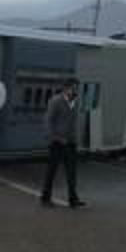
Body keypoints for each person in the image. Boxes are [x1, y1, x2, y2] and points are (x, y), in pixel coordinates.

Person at [41, 78, 85, 208]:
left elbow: (74, 122)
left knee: (72, 172)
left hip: (71, 142)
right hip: (57, 142)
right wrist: (54, 137)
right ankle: (45, 198)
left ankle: (73, 199)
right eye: (74, 88)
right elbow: (48, 121)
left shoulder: (76, 102)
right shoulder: (55, 101)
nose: (76, 90)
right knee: (52, 171)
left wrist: (76, 138)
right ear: (66, 88)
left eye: (77, 88)